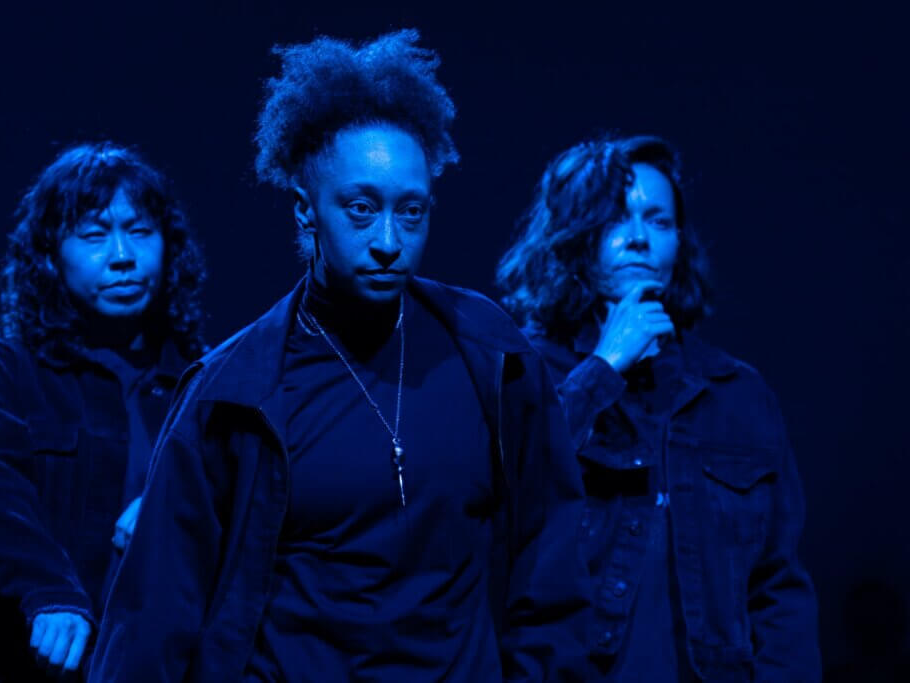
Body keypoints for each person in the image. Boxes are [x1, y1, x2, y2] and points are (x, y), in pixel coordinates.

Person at [92, 30, 591, 682]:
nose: (389, 240)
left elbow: (549, 565)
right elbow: (156, 607)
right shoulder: (233, 392)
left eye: (411, 213)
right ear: (307, 213)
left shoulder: (491, 354)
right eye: (361, 209)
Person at [496, 135, 821, 681]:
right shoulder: (524, 372)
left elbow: (778, 586)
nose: (640, 241)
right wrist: (605, 366)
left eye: (659, 221)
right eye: (617, 220)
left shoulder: (736, 392)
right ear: (573, 237)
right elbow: (503, 504)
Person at [0, 142, 206, 682]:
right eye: (93, 235)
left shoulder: (202, 383)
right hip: (35, 668)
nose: (122, 256)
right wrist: (51, 592)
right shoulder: (8, 371)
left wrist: (165, 505)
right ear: (51, 256)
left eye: (139, 231)